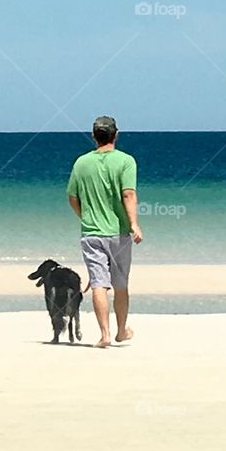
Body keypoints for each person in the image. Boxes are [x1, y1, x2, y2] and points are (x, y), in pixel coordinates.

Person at [66, 116, 143, 348]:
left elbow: (72, 197)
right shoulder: (126, 161)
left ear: (93, 136)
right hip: (118, 232)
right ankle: (121, 331)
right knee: (120, 285)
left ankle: (105, 335)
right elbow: (128, 193)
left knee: (99, 283)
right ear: (116, 134)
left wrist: (86, 217)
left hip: (91, 233)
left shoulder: (81, 163)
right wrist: (134, 224)